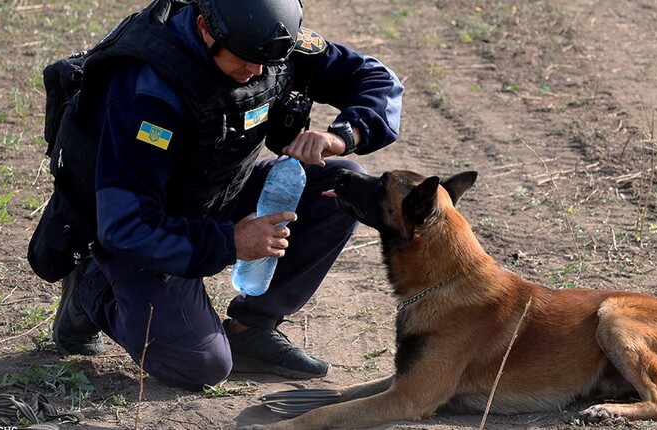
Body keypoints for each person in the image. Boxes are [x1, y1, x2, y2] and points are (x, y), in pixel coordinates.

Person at [47, 0, 403, 390]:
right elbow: (125, 225)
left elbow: (376, 79)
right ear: (204, 28)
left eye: (267, 62)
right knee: (200, 365)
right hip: (141, 229)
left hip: (216, 192)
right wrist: (230, 242)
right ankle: (91, 288)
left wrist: (344, 134)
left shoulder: (263, 43)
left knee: (344, 184)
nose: (258, 72)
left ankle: (251, 328)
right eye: (247, 61)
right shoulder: (148, 93)